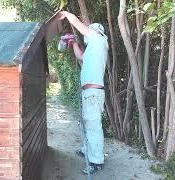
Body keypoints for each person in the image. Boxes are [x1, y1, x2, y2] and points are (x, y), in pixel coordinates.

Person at [58, 11, 109, 175]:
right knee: (88, 123)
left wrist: (66, 14)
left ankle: (96, 161)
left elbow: (79, 26)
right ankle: (88, 150)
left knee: (93, 126)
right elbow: (81, 57)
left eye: (89, 30)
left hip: (93, 92)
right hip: (90, 93)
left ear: (95, 31)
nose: (87, 33)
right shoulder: (94, 48)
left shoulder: (98, 39)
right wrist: (73, 43)